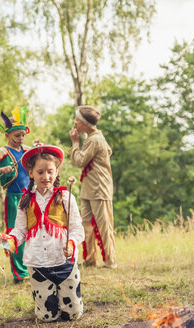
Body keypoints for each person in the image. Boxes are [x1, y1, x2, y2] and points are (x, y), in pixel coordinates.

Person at [0, 144, 85, 322]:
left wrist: (71, 243)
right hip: (39, 264)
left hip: (64, 262)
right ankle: (46, 304)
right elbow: (20, 230)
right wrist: (11, 239)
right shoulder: (25, 200)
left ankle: (68, 301)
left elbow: (77, 228)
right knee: (47, 317)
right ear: (31, 173)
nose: (46, 177)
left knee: (72, 315)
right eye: (40, 172)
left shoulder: (66, 197)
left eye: (50, 172)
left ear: (56, 171)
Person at [0, 107, 31, 283]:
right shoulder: (2, 153)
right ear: (8, 135)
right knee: (13, 233)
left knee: (32, 232)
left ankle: (32, 267)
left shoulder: (27, 151)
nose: (20, 139)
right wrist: (2, 169)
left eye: (22, 135)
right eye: (17, 135)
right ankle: (18, 273)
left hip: (30, 196)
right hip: (13, 198)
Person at [69, 105, 116, 268]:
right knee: (85, 223)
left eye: (77, 121)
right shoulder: (94, 138)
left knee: (104, 225)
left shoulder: (95, 140)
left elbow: (80, 161)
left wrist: (75, 142)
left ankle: (110, 261)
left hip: (99, 188)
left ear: (84, 124)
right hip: (89, 187)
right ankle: (90, 259)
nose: (75, 124)